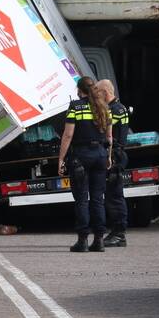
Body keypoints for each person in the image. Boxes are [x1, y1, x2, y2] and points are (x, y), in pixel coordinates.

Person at [58, 76, 112, 253]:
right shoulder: (105, 107)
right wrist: (109, 157)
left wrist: (61, 159)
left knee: (82, 199)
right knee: (98, 199)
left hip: (81, 156)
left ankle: (82, 241)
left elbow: (67, 135)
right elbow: (109, 137)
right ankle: (99, 240)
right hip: (100, 155)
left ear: (78, 90)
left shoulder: (75, 107)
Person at [95, 79, 131, 248]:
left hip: (114, 156)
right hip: (119, 153)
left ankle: (119, 234)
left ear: (105, 93)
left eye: (98, 93)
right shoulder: (121, 107)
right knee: (114, 196)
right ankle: (117, 232)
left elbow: (104, 132)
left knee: (114, 197)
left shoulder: (112, 111)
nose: (96, 96)